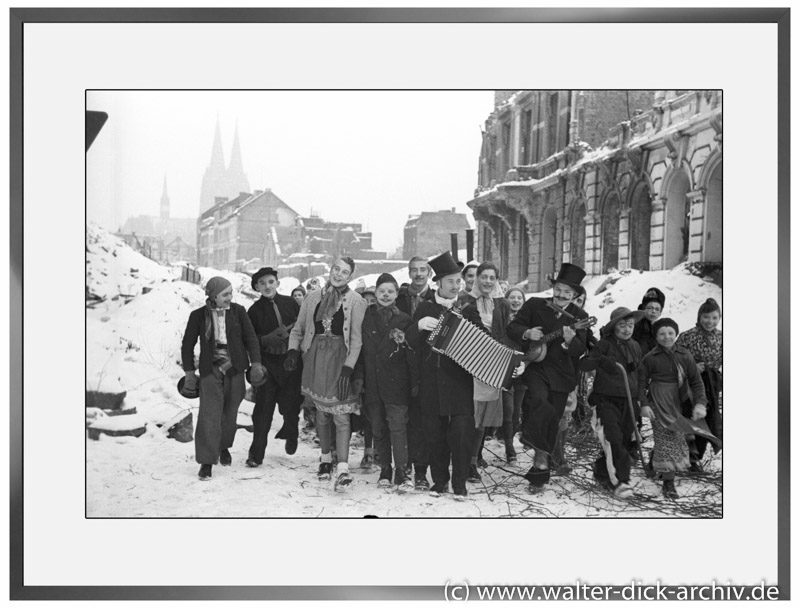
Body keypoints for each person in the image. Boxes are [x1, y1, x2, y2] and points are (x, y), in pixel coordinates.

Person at [286, 257, 368, 490]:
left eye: (345, 272)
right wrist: (293, 351)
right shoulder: (313, 298)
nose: (339, 274)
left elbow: (356, 340)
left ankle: (342, 466)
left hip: (340, 362)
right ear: (330, 270)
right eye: (336, 269)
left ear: (350, 276)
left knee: (341, 415)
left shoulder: (356, 301)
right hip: (315, 360)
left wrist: (348, 368)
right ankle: (325, 459)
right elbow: (298, 330)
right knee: (321, 414)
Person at [506, 262, 589, 492]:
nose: (562, 295)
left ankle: (539, 467)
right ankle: (530, 434)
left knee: (552, 418)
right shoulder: (534, 305)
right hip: (537, 367)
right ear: (554, 288)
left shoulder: (579, 316)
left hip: (562, 374)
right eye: (559, 289)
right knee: (540, 402)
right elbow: (512, 328)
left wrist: (571, 341)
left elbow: (580, 349)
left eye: (568, 292)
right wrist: (527, 332)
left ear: (574, 295)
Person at [406, 251, 475, 500]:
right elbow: (410, 343)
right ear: (438, 283)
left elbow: (483, 343)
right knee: (434, 435)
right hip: (431, 383)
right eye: (451, 282)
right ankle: (439, 481)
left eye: (459, 282)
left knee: (461, 434)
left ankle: (459, 483)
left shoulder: (468, 309)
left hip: (460, 384)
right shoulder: (425, 308)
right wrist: (417, 326)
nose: (456, 286)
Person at [181, 277, 264, 480]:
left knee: (230, 412)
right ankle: (206, 461)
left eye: (230, 293)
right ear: (213, 295)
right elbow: (187, 344)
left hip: (235, 367)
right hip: (211, 369)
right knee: (209, 414)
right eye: (225, 294)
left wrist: (256, 363)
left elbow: (251, 338)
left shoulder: (238, 312)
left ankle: (223, 446)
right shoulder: (198, 316)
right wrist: (190, 373)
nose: (230, 297)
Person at [637, 318, 720, 499]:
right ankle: (668, 482)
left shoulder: (685, 355)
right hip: (658, 401)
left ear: (676, 334)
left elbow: (696, 381)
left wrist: (700, 402)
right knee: (668, 438)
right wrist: (643, 404)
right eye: (662, 333)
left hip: (680, 401)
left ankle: (655, 459)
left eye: (670, 333)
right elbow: (641, 382)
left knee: (675, 437)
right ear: (656, 336)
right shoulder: (650, 358)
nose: (666, 337)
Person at [353, 273, 419, 492]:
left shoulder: (405, 320)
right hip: (373, 383)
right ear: (376, 292)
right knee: (378, 427)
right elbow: (360, 351)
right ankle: (385, 469)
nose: (385, 295)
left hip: (397, 384)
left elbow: (411, 355)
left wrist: (413, 383)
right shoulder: (365, 317)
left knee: (398, 427)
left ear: (396, 293)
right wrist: (359, 379)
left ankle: (401, 470)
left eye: (390, 291)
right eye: (381, 291)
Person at [578, 307, 645, 498]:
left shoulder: (635, 346)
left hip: (630, 403)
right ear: (614, 326)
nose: (627, 329)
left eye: (630, 325)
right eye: (622, 325)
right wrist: (600, 360)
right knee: (612, 439)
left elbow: (640, 375)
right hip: (606, 400)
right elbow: (584, 364)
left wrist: (641, 400)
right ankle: (622, 482)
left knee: (623, 440)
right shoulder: (605, 344)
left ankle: (602, 471)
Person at [462, 261, 518, 480]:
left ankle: (473, 462)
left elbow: (504, 333)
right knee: (467, 414)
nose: (487, 281)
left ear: (497, 280)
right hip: (467, 362)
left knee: (482, 417)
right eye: (483, 277)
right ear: (476, 278)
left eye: (491, 278)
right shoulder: (464, 300)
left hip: (490, 364)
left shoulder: (502, 304)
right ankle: (462, 458)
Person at [244, 267, 303, 467]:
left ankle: (292, 432)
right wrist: (266, 339)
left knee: (290, 405)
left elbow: (302, 328)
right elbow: (250, 340)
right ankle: (256, 455)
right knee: (263, 411)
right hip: (269, 365)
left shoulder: (291, 303)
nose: (267, 286)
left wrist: (294, 344)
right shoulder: (254, 311)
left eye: (270, 282)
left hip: (291, 364)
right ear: (256, 287)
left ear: (277, 283)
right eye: (262, 283)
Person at [396, 256, 435, 489]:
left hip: (425, 368)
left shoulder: (435, 299)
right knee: (403, 419)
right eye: (414, 270)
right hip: (400, 366)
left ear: (429, 272)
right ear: (409, 273)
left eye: (423, 270)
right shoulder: (399, 298)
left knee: (421, 420)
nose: (418, 274)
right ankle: (403, 465)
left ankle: (420, 469)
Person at [675, 298, 723, 471]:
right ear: (699, 316)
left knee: (708, 419)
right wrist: (692, 367)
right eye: (706, 317)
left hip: (712, 384)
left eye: (714, 318)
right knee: (691, 418)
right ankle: (684, 455)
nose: (710, 321)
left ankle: (696, 459)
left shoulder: (721, 337)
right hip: (691, 384)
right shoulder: (688, 336)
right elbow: (674, 359)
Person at [633, 291, 665, 355]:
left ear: (660, 312)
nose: (653, 311)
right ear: (643, 308)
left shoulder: (658, 329)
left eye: (657, 309)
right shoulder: (634, 325)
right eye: (650, 308)